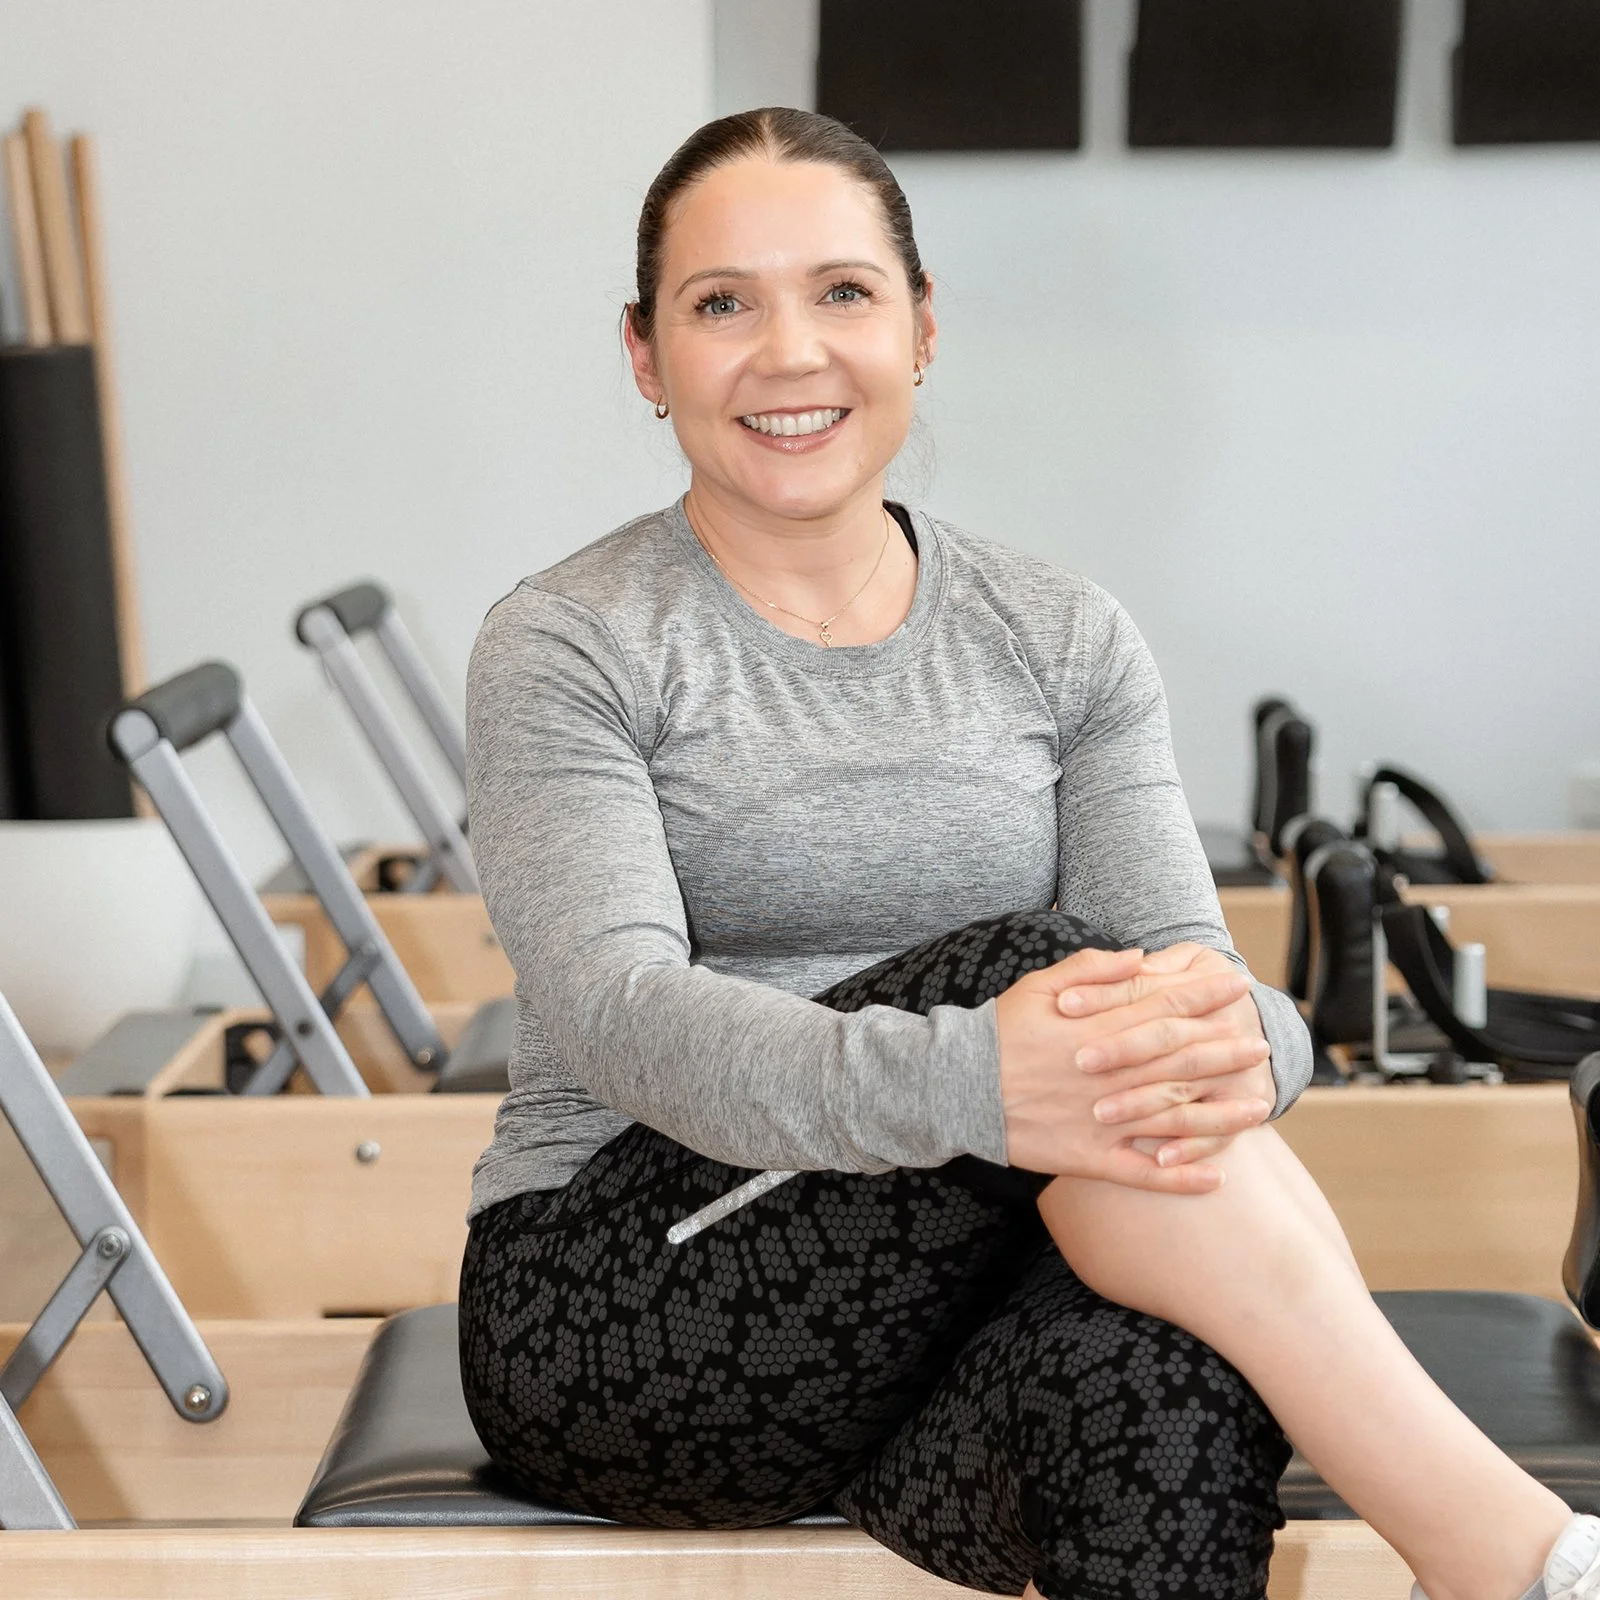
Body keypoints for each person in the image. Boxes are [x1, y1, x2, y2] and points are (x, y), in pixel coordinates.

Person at [457, 106, 1598, 1600]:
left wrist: (1248, 1050)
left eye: (844, 293)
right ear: (644, 353)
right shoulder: (569, 642)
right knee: (1047, 972)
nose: (789, 351)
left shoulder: (1058, 632)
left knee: (1161, 1384)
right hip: (631, 1310)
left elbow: (1207, 986)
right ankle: (1513, 1560)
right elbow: (621, 1019)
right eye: (722, 303)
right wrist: (993, 1075)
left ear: (922, 329)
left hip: (948, 1316)